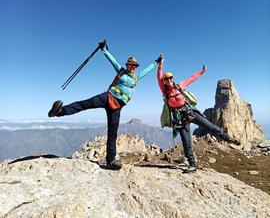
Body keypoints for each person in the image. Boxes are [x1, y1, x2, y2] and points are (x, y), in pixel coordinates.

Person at [48, 40, 162, 170]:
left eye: (134, 65)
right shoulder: (121, 72)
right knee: (84, 104)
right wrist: (104, 49)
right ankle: (59, 111)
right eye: (131, 65)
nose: (133, 67)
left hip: (117, 107)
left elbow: (147, 70)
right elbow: (112, 60)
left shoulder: (136, 77)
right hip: (107, 97)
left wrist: (156, 62)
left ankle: (110, 161)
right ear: (127, 65)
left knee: (112, 134)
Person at [157, 58, 240, 173]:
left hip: (190, 113)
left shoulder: (179, 86)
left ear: (173, 79)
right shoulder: (165, 92)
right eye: (166, 78)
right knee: (186, 142)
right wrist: (160, 66)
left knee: (210, 126)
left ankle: (228, 138)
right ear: (165, 81)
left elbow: (191, 79)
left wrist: (202, 71)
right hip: (180, 120)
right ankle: (193, 164)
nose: (169, 80)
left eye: (171, 77)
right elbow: (158, 79)